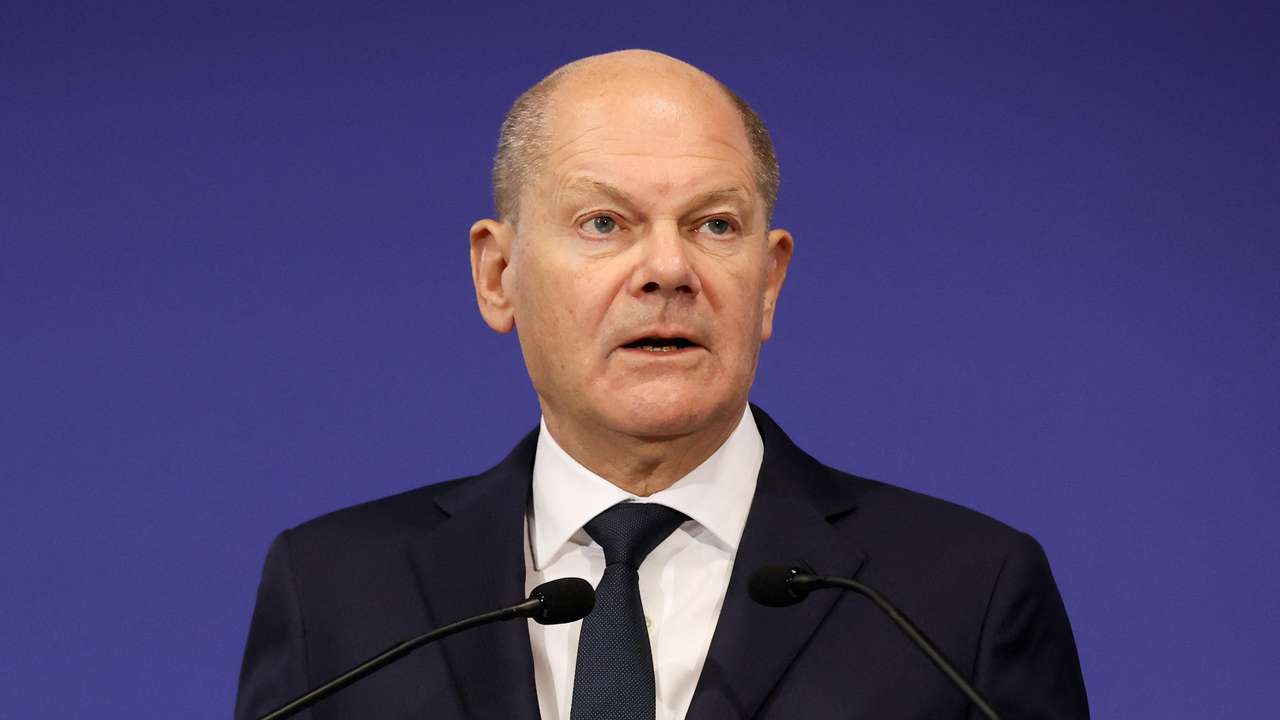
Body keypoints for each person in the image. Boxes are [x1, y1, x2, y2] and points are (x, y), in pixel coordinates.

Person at [236, 50, 1089, 720]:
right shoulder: (337, 596)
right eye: (604, 223)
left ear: (770, 280)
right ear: (498, 275)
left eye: (715, 225)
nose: (669, 269)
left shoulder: (958, 596)